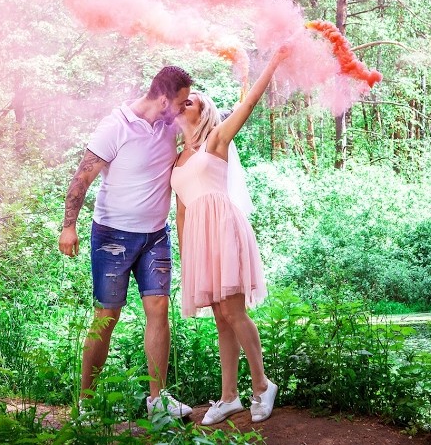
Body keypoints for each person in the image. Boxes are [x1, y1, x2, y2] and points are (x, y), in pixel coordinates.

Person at [58, 65, 194, 419]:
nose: (183, 108)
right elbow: (81, 179)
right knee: (107, 316)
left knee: (158, 309)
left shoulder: (170, 124)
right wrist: (68, 227)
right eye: (180, 102)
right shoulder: (115, 126)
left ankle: (157, 400)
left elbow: (210, 119)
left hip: (156, 236)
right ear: (163, 99)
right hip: (112, 236)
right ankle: (86, 401)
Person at [171, 44, 291, 425]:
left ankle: (262, 385)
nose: (183, 103)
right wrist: (186, 254)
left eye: (190, 101)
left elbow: (249, 102)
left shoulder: (217, 139)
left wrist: (273, 63)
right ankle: (229, 397)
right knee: (220, 317)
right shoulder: (177, 157)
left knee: (234, 311)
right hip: (199, 241)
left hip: (223, 227)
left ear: (204, 110)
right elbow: (181, 209)